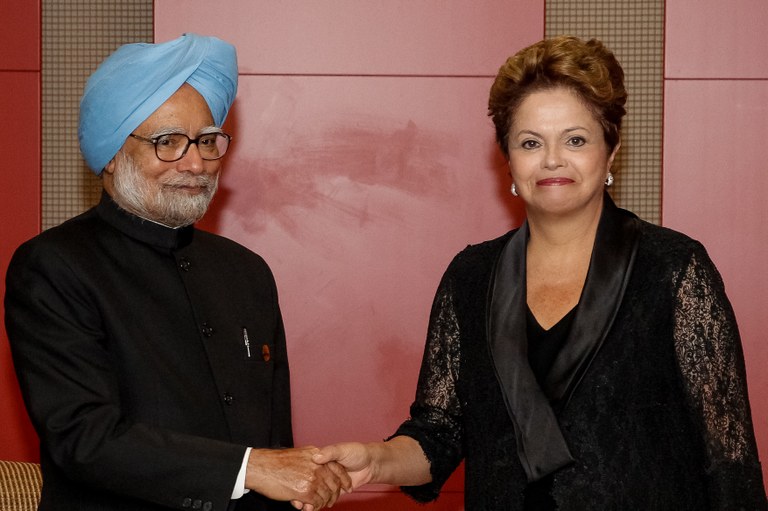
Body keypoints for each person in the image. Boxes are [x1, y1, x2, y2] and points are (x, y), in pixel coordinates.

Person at [312, 36, 768, 509]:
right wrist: (375, 459)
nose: (553, 159)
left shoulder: (673, 270)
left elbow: (729, 460)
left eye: (575, 140)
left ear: (610, 152)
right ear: (507, 160)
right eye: (531, 142)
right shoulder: (471, 276)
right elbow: (439, 432)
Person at [4, 34, 349, 511]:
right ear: (111, 155)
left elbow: (275, 441)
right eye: (168, 142)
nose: (196, 162)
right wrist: (250, 468)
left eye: (208, 141)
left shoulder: (247, 272)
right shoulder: (54, 267)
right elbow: (85, 438)